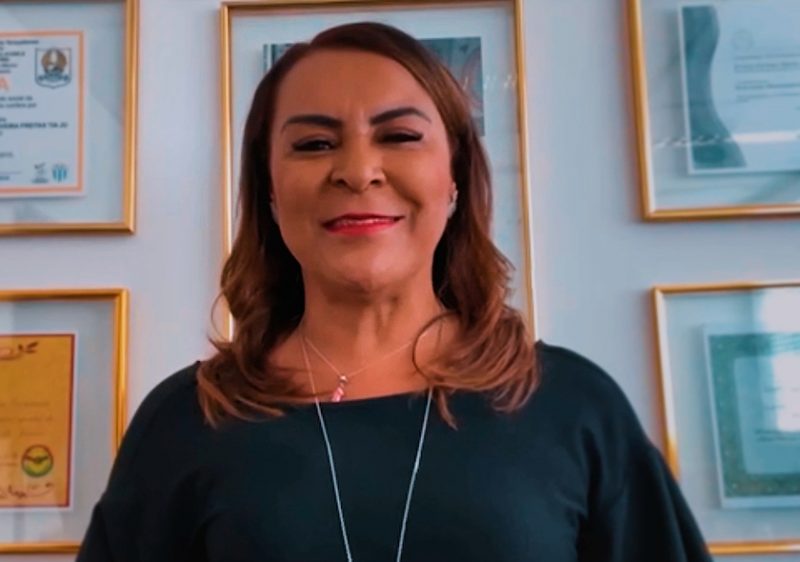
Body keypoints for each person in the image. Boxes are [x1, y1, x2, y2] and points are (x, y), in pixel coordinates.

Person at [77, 22, 712, 562]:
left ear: (455, 176)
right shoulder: (187, 421)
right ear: (268, 188)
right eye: (314, 144)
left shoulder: (573, 407)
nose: (357, 171)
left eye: (400, 137)